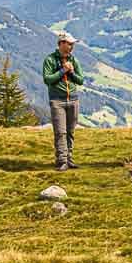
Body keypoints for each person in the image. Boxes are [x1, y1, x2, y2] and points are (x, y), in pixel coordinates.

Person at [42, 32, 85, 171]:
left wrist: (71, 72)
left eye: (73, 44)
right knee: (60, 132)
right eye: (69, 44)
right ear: (61, 43)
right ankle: (62, 160)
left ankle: (69, 159)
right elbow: (47, 79)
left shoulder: (74, 60)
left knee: (70, 131)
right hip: (57, 101)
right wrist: (62, 71)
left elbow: (81, 80)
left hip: (73, 100)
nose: (72, 46)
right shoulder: (50, 60)